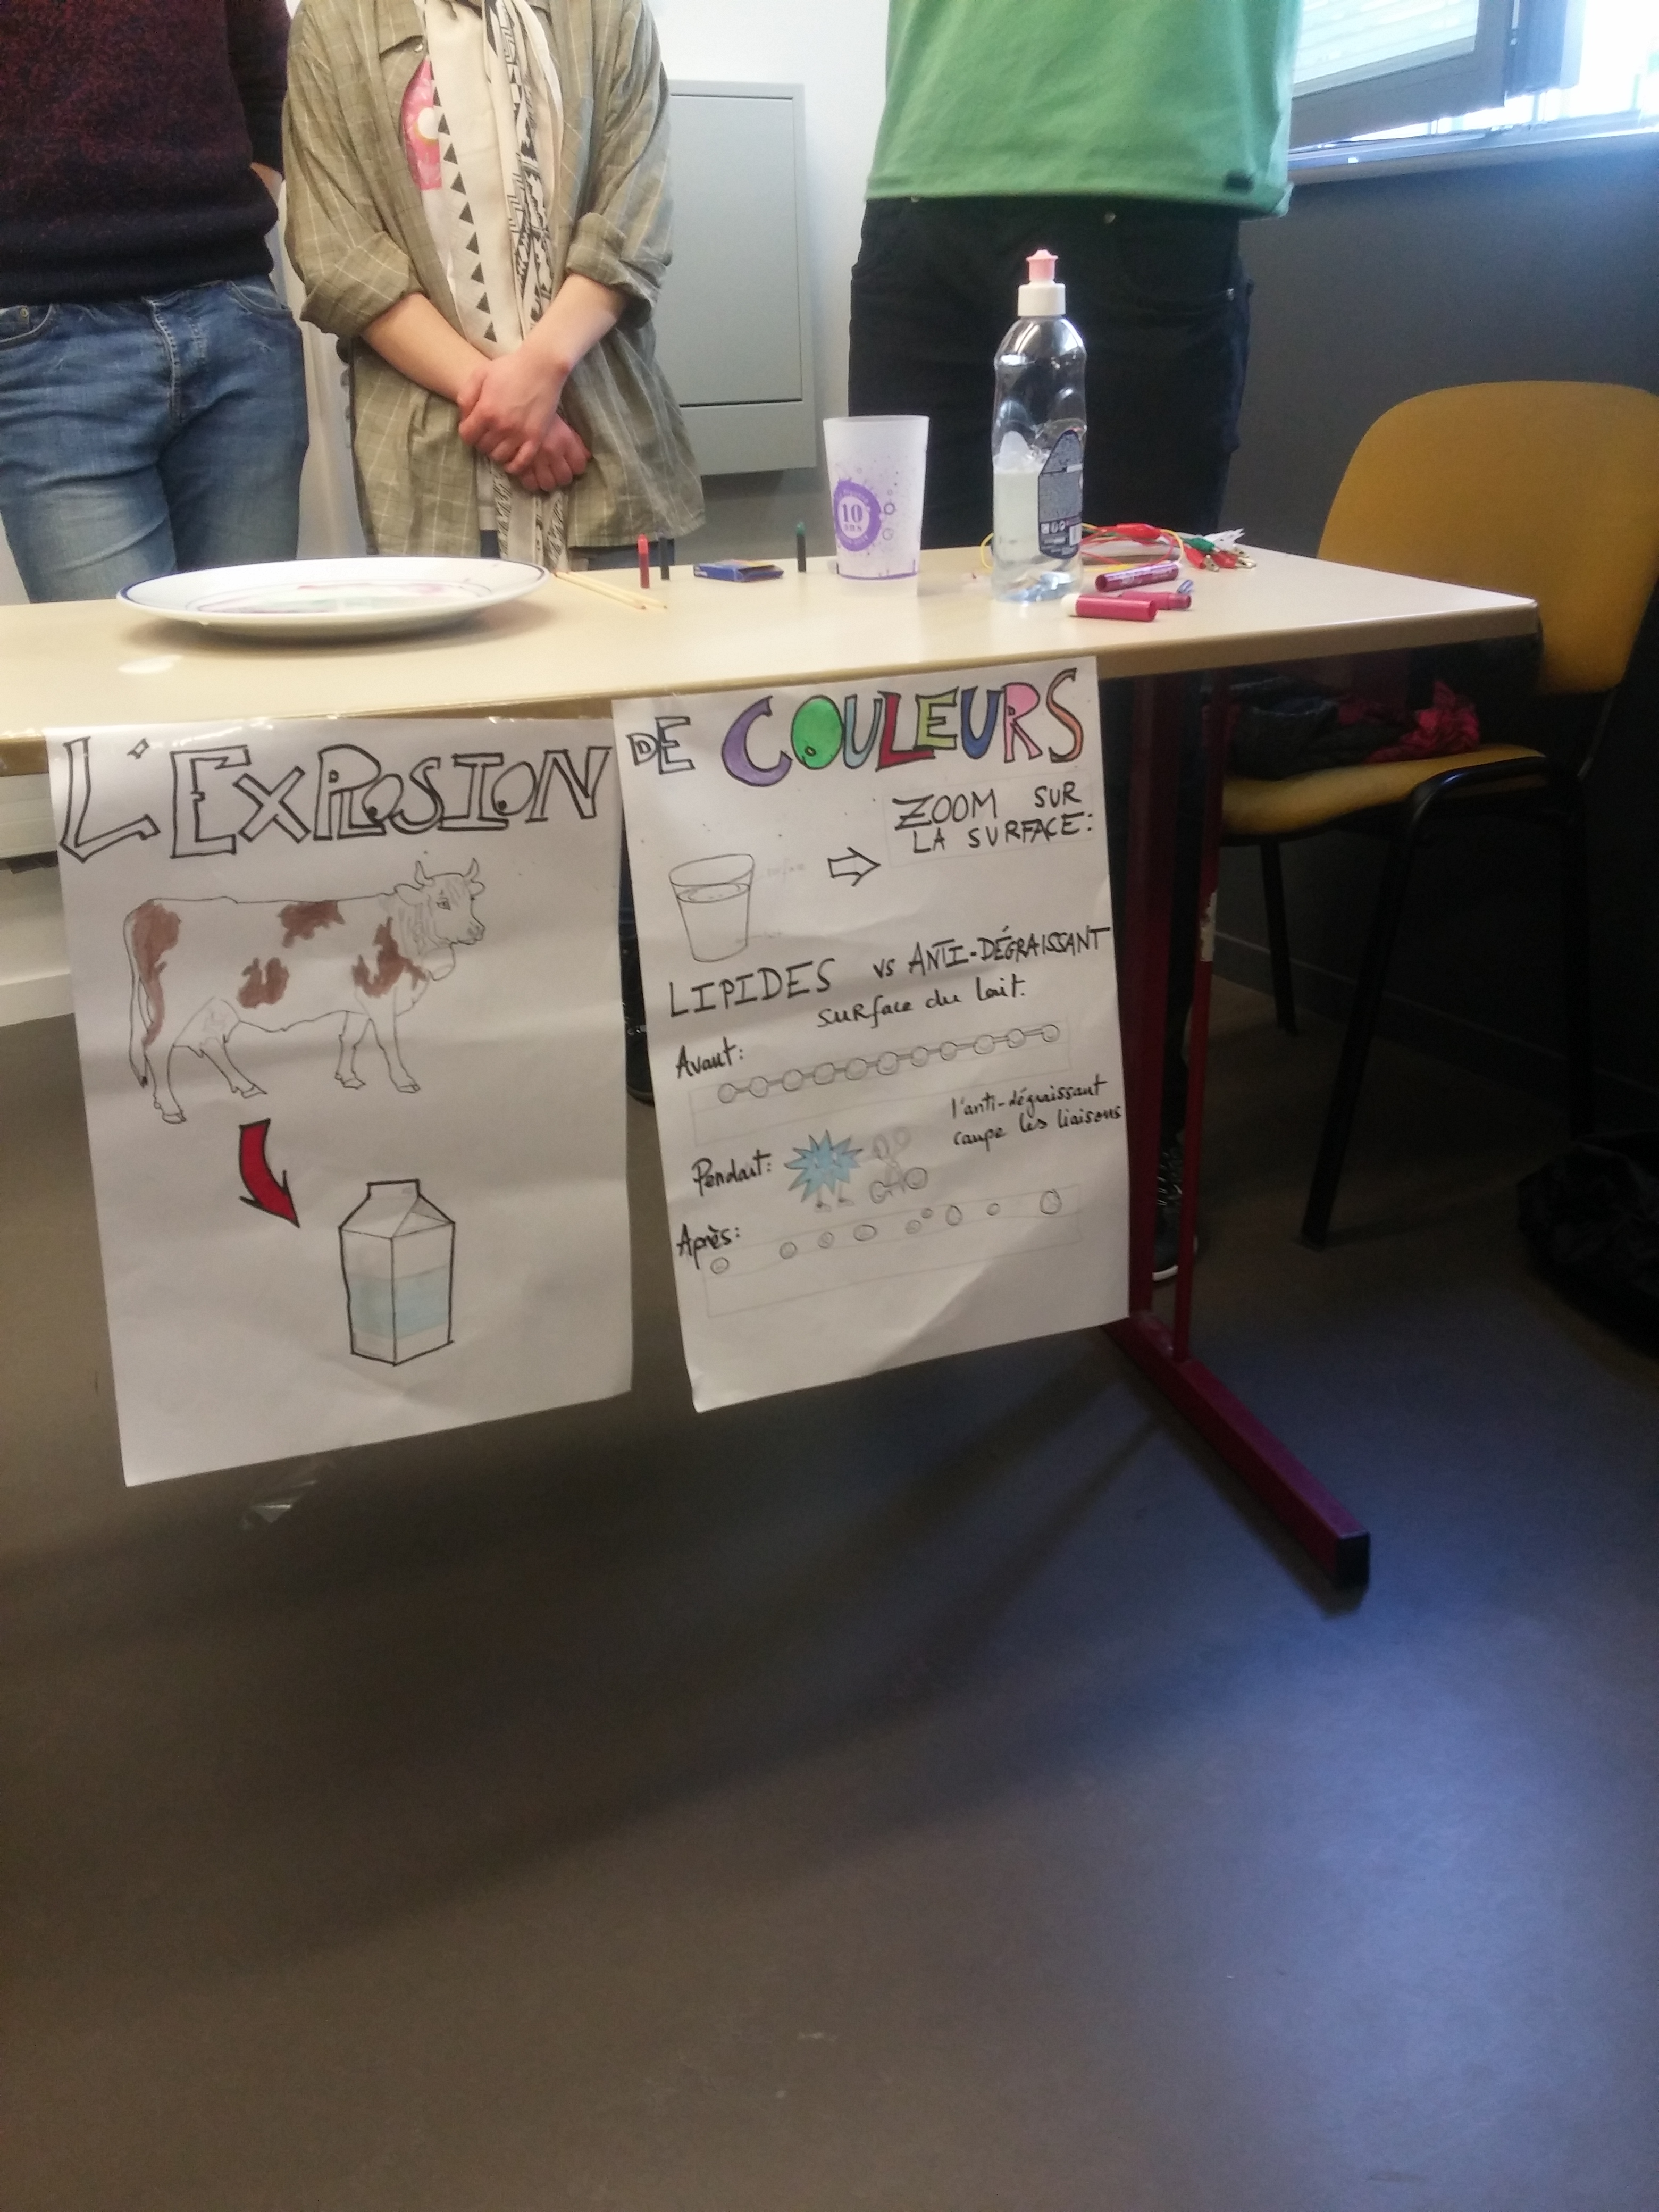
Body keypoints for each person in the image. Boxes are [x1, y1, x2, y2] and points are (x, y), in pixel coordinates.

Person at [847, 0, 1303, 1274]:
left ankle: (1136, 1127)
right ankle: (933, 1115)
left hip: (1147, 176)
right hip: (926, 181)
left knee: (1131, 715)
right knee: (909, 701)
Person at [282, 0, 701, 573]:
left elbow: (633, 219)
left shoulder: (608, 11)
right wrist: (509, 403)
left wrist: (542, 369)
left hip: (602, 454)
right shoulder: (335, 20)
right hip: (432, 481)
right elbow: (341, 255)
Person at [0, 0, 309, 603]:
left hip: (234, 318)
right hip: (46, 352)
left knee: (249, 649)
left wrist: (248, 195)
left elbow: (272, 69)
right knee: (117, 657)